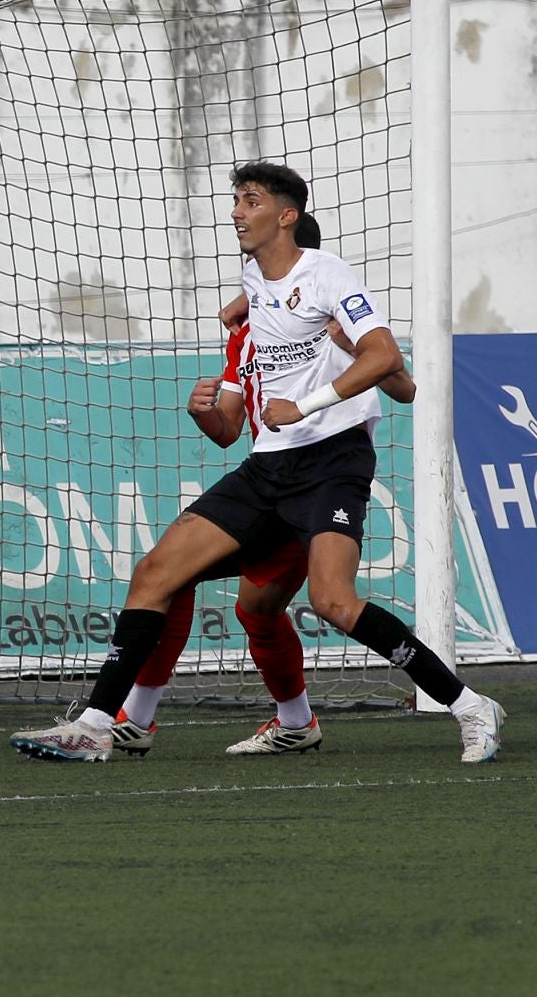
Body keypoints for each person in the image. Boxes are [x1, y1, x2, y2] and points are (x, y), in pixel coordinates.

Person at [10, 161, 505, 764]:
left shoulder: (327, 277)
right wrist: (207, 407)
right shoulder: (252, 291)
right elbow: (228, 418)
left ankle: (470, 705)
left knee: (333, 603)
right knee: (157, 574)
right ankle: (97, 724)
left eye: (250, 201)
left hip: (331, 464)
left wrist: (308, 403)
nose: (237, 211)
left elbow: (392, 367)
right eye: (237, 200)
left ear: (286, 215)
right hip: (266, 467)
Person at [114, 211, 419, 757]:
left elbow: (402, 385)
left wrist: (344, 356)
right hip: (267, 475)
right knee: (190, 584)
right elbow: (229, 430)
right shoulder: (247, 333)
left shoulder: (330, 324)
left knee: (281, 604)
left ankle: (148, 717)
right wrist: (202, 412)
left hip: (316, 482)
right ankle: (149, 717)